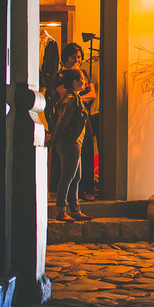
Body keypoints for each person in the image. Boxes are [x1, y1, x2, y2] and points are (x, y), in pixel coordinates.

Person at [50, 67, 92, 222]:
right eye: (82, 79)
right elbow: (63, 122)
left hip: (74, 142)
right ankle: (61, 210)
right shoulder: (71, 99)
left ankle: (75, 210)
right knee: (68, 177)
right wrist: (54, 138)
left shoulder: (73, 97)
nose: (85, 82)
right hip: (70, 142)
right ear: (75, 82)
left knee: (76, 177)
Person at [58, 43, 99, 200]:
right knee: (71, 156)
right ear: (66, 58)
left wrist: (75, 99)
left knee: (87, 150)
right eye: (73, 57)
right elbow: (62, 95)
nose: (77, 60)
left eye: (79, 57)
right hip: (69, 118)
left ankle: (86, 190)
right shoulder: (61, 75)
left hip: (83, 116)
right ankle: (68, 197)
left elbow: (93, 94)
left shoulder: (83, 73)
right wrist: (77, 99)